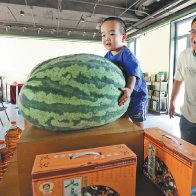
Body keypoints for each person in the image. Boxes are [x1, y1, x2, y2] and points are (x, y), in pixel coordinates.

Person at [100, 17, 148, 128]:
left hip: (136, 95)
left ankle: (140, 140)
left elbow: (133, 75)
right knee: (122, 117)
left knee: (137, 119)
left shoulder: (127, 55)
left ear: (123, 37)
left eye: (111, 34)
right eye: (103, 35)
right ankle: (126, 138)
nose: (107, 38)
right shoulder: (107, 56)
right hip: (123, 93)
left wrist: (129, 89)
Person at [169, 17, 196, 145]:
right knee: (187, 158)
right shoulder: (184, 55)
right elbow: (178, 79)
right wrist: (172, 101)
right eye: (193, 31)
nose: (195, 37)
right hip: (187, 119)